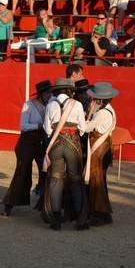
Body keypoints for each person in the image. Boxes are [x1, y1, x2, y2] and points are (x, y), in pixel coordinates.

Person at [40, 78, 88, 230]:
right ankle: (80, 218)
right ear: (69, 90)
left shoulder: (50, 104)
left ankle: (56, 218)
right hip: (72, 142)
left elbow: (47, 129)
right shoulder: (77, 104)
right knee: (75, 179)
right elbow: (82, 127)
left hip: (55, 143)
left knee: (56, 179)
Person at [3, 80, 52, 216]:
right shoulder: (29, 105)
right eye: (47, 92)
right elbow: (23, 126)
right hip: (27, 142)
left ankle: (44, 203)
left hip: (42, 143)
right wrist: (39, 125)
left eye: (50, 92)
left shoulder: (50, 105)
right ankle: (9, 204)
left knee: (46, 171)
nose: (49, 95)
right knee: (23, 172)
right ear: (41, 94)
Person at [82, 82, 119, 227]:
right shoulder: (109, 110)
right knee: (100, 181)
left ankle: (99, 214)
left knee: (96, 181)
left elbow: (86, 128)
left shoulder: (102, 113)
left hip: (99, 150)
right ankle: (104, 213)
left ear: (101, 100)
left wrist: (88, 115)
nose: (93, 101)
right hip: (104, 148)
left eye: (96, 99)